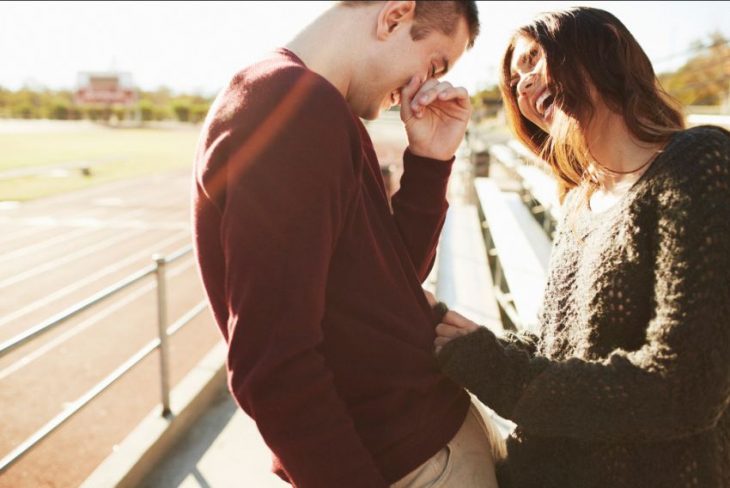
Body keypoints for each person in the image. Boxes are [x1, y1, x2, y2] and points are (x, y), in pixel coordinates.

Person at [192, 2, 502, 487]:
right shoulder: (290, 106)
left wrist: (430, 160)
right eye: (435, 63)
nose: (422, 86)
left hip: (419, 450)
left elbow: (390, 281)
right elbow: (272, 362)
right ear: (395, 15)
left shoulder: (319, 109)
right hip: (407, 461)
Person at [434, 7, 730, 488]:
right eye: (515, 81)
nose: (524, 84)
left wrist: (497, 370)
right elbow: (557, 342)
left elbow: (684, 387)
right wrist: (459, 340)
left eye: (534, 59)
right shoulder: (578, 204)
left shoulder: (698, 163)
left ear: (606, 44)